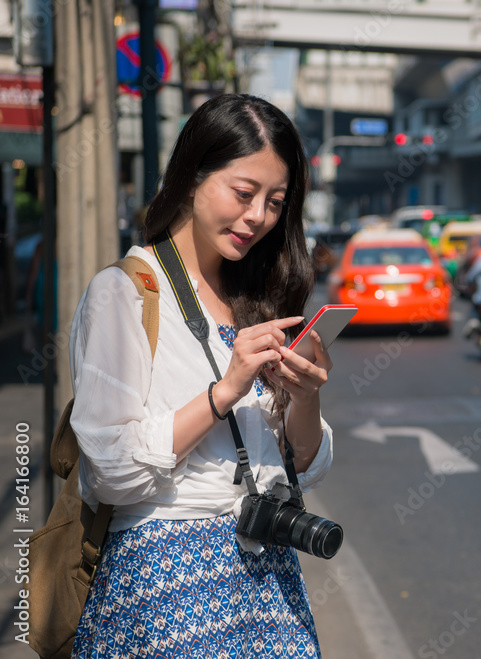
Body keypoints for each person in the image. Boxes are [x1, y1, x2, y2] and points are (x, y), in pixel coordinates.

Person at [69, 94, 334, 657]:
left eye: (275, 202)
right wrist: (224, 393)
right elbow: (110, 472)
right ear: (191, 177)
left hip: (270, 579)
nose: (258, 216)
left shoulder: (256, 297)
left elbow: (301, 466)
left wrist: (303, 396)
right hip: (165, 585)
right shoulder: (123, 293)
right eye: (244, 193)